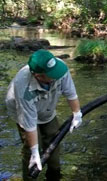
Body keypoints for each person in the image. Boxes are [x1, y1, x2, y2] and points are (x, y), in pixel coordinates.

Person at [5, 49, 83, 180]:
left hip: (47, 110)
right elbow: (29, 123)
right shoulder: (23, 87)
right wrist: (35, 152)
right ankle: (29, 177)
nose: (57, 75)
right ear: (38, 75)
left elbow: (70, 92)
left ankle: (54, 173)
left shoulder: (59, 68)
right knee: (31, 149)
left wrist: (77, 113)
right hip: (21, 110)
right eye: (52, 74)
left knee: (53, 139)